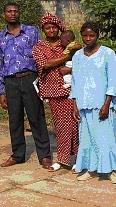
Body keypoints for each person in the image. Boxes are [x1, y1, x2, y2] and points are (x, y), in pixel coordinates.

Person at [0, 2, 52, 169]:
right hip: (11, 81)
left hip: (30, 78)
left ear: (19, 13)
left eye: (15, 11)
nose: (12, 14)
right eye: (9, 11)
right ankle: (18, 155)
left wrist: (43, 82)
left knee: (37, 117)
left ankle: (45, 156)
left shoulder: (31, 32)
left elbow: (41, 55)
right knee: (15, 119)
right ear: (4, 14)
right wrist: (1, 90)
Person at [70, 21, 116, 182]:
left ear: (97, 35)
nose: (88, 38)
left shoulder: (107, 53)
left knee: (106, 137)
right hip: (84, 103)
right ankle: (91, 168)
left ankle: (112, 170)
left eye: (91, 35)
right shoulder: (78, 55)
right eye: (85, 35)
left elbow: (113, 80)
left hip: (101, 104)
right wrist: (75, 105)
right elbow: (75, 80)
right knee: (87, 137)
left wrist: (107, 103)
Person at [32, 13, 82, 171]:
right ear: (43, 30)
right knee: (61, 125)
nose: (51, 30)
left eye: (54, 27)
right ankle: (63, 159)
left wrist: (71, 49)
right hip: (53, 91)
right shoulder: (39, 47)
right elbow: (46, 64)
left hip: (72, 89)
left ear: (59, 28)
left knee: (76, 124)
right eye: (47, 28)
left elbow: (80, 50)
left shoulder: (66, 42)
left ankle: (79, 159)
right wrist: (67, 54)